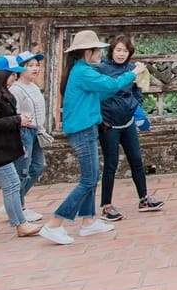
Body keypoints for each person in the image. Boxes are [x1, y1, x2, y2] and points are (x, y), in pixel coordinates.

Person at [39, 30, 147, 245]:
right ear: (88, 52)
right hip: (82, 129)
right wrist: (133, 73)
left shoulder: (83, 70)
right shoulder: (83, 72)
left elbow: (103, 92)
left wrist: (124, 82)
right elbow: (110, 86)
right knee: (88, 179)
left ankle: (88, 221)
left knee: (92, 176)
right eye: (98, 50)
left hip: (87, 127)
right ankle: (55, 223)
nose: (100, 54)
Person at [95, 35, 165, 221]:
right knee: (111, 164)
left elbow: (138, 89)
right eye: (118, 50)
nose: (121, 54)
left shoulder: (132, 69)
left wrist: (135, 103)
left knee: (136, 160)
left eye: (125, 51)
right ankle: (106, 205)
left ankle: (143, 199)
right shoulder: (101, 68)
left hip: (128, 122)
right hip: (109, 124)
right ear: (111, 50)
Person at [0, 55, 41, 238]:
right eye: (12, 74)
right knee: (12, 184)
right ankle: (20, 224)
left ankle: (20, 222)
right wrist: (18, 119)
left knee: (13, 184)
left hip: (5, 148)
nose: (14, 77)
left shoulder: (3, 93)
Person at [9, 50, 48, 222]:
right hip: (24, 132)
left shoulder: (33, 86)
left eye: (36, 65)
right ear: (19, 69)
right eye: (30, 66)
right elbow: (14, 113)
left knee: (38, 166)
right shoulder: (16, 89)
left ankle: (14, 201)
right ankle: (19, 207)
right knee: (22, 170)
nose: (35, 68)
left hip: (36, 131)